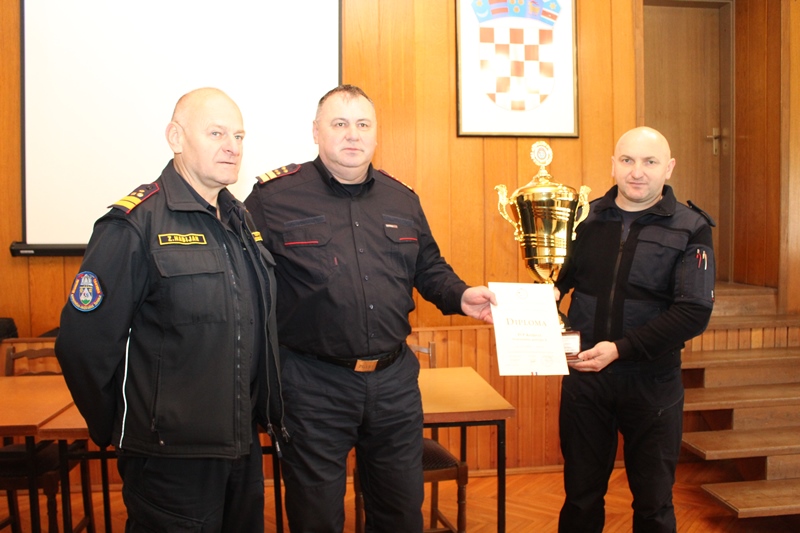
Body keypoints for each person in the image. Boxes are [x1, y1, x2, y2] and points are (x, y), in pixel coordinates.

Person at [244, 84, 496, 532]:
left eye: (363, 124)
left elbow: (429, 267)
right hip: (312, 386)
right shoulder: (272, 198)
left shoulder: (402, 199)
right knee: (316, 518)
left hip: (393, 385)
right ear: (316, 132)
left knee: (400, 513)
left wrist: (461, 296)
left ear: (376, 134)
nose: (352, 134)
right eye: (340, 124)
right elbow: (244, 281)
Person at [55, 87, 283, 532]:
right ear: (175, 137)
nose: (232, 147)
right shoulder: (134, 225)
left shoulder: (240, 220)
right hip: (169, 460)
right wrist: (126, 429)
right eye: (216, 133)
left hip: (240, 447)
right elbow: (83, 345)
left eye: (238, 136)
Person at [553, 126, 716, 532]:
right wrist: (537, 311)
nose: (637, 172)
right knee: (580, 498)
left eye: (649, 161)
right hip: (585, 380)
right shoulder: (583, 218)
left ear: (669, 167)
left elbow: (693, 312)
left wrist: (620, 349)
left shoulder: (691, 226)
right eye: (627, 160)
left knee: (653, 504)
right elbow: (555, 283)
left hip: (652, 384)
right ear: (613, 164)